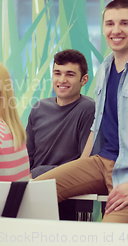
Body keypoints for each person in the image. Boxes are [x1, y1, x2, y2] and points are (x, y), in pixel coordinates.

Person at [36, 0, 128, 223]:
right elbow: (97, 125)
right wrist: (79, 167)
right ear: (103, 28)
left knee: (105, 236)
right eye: (110, 24)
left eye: (125, 23)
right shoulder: (105, 66)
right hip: (101, 162)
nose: (116, 30)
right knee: (33, 194)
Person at [26, 49, 94, 178]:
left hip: (70, 190)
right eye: (57, 73)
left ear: (84, 80)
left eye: (70, 74)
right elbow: (26, 157)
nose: (62, 80)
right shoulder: (39, 108)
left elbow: (85, 166)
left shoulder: (88, 109)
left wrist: (37, 173)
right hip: (33, 187)